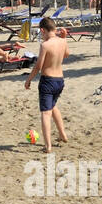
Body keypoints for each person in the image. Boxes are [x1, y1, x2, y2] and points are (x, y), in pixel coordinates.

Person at [24, 17, 69, 151]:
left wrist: (28, 79)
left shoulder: (45, 45)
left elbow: (38, 66)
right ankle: (63, 135)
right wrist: (64, 38)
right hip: (60, 80)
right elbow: (66, 54)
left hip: (48, 81)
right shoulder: (62, 41)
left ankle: (48, 145)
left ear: (42, 30)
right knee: (53, 106)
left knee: (45, 113)